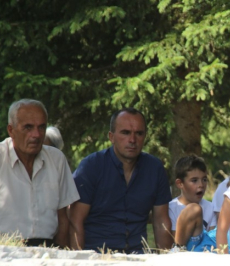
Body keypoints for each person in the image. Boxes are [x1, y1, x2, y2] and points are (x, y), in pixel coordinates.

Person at [69, 108, 172, 253]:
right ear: (111, 136)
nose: (132, 140)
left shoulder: (154, 168)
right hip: (97, 254)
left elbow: (161, 221)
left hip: (138, 255)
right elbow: (75, 221)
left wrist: (165, 259)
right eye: (125, 133)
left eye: (139, 133)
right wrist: (79, 261)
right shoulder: (92, 166)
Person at [0, 99, 79, 247]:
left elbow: (63, 219)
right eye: (28, 128)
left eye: (41, 127)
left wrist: (60, 255)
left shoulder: (56, 159)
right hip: (5, 250)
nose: (36, 135)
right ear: (11, 130)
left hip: (48, 249)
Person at [169, 155, 217, 252]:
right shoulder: (172, 208)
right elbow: (174, 237)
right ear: (180, 183)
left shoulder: (210, 207)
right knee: (194, 210)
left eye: (204, 179)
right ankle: (178, 253)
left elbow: (211, 237)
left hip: (204, 250)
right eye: (194, 180)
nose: (201, 185)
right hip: (184, 249)